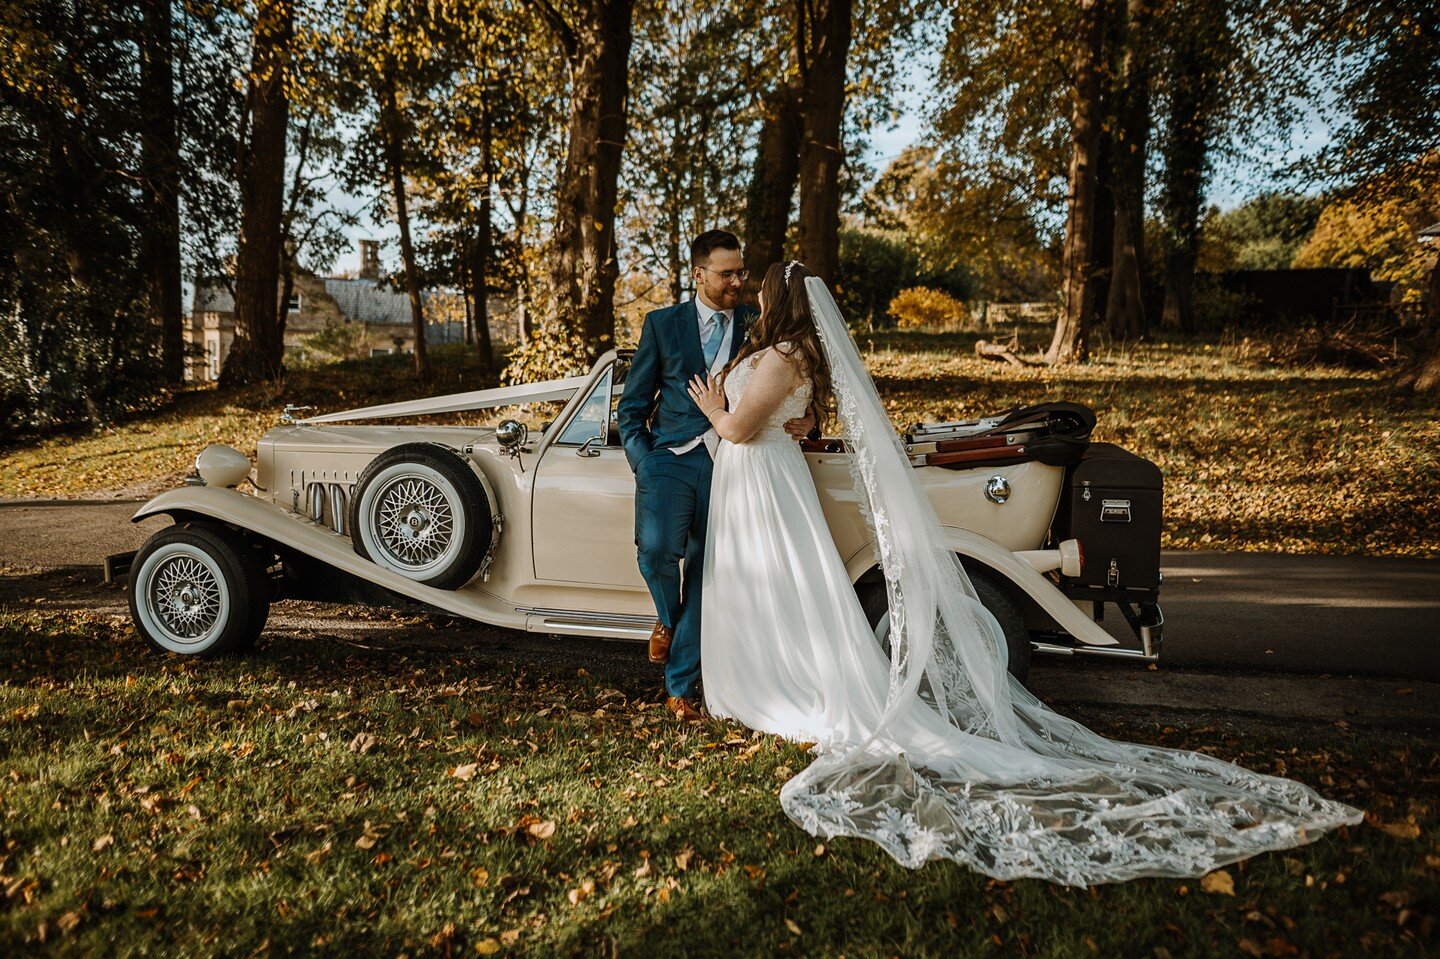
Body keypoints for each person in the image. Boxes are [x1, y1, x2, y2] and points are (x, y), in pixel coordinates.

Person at [684, 260, 1363, 885]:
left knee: (779, 581)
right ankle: (767, 672)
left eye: (762, 287)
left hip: (761, 477)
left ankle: (782, 684)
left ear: (778, 301)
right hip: (767, 479)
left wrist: (710, 406)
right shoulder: (792, 355)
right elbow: (801, 420)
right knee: (772, 585)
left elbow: (741, 430)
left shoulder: (778, 354)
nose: (753, 292)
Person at [616, 230, 816, 723]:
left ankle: (680, 688)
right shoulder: (662, 324)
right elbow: (632, 407)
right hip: (670, 458)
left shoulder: (760, 322)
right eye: (727, 273)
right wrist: (645, 461)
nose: (737, 282)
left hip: (733, 461)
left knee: (708, 573)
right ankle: (666, 619)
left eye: (742, 273)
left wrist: (809, 419)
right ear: (698, 273)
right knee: (656, 550)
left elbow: (797, 379)